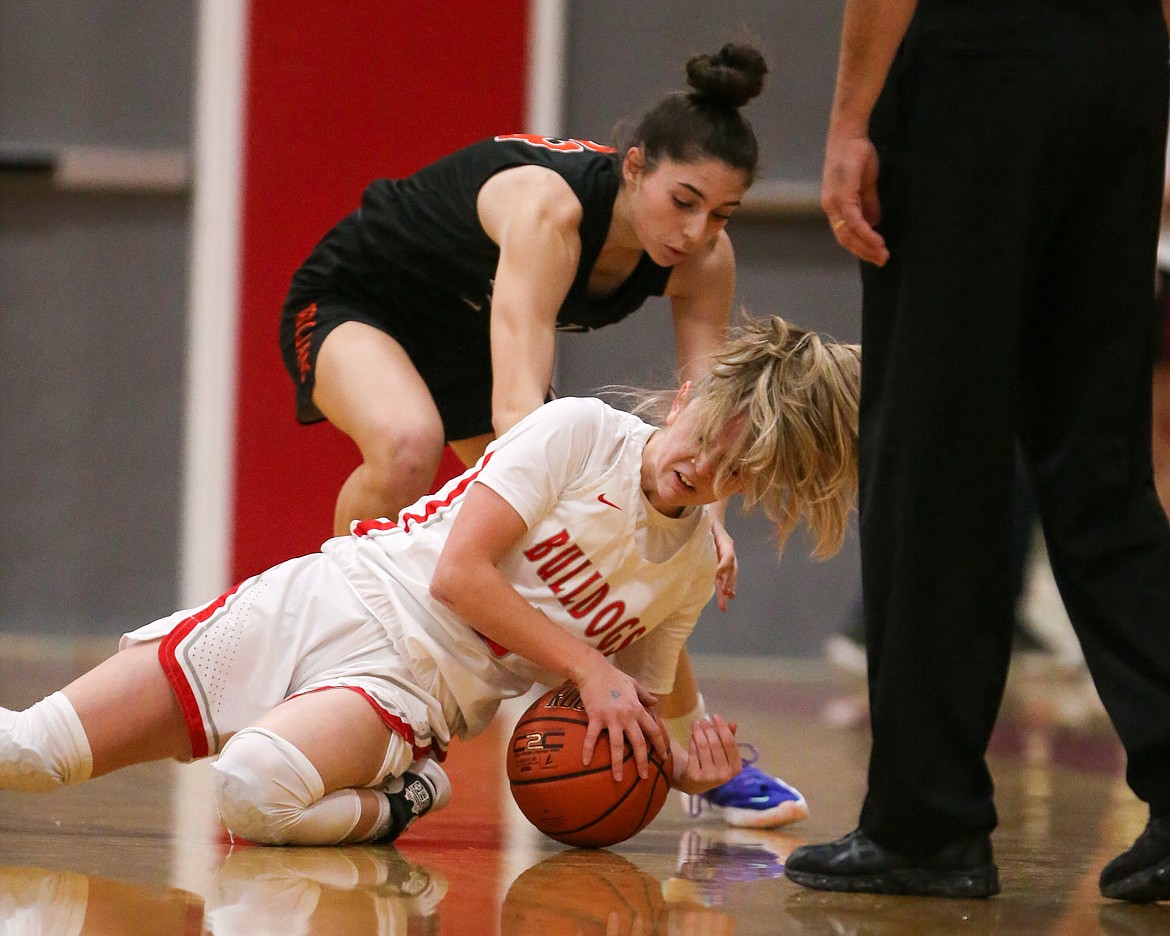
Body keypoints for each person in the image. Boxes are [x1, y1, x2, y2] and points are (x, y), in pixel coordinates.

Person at [0, 316, 860, 848]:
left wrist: (684, 767)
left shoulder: (692, 572)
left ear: (747, 487)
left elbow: (633, 704)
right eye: (706, 435)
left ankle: (406, 796)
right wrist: (587, 668)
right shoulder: (576, 433)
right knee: (30, 755)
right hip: (328, 596)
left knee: (254, 791)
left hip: (409, 687)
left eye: (733, 469)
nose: (703, 467)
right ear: (683, 399)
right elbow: (459, 575)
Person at [278, 41, 801, 828]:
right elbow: (521, 414)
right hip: (363, 296)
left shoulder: (703, 259)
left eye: (720, 214)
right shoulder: (550, 213)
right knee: (410, 442)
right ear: (632, 168)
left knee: (636, 543)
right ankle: (332, 649)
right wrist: (595, 506)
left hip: (466, 334)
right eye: (683, 201)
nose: (695, 232)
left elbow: (709, 411)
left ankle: (697, 756)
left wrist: (702, 524)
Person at [785, 0, 1170, 902]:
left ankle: (927, 822)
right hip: (1125, 63)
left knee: (931, 450)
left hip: (979, 56)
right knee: (1100, 466)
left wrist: (850, 118)